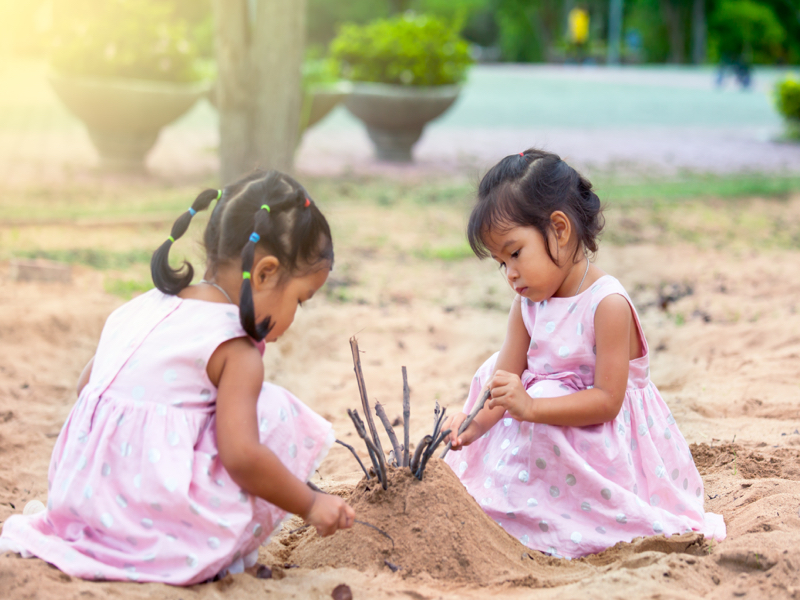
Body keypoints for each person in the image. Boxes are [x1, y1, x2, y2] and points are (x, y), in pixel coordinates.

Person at [0, 170, 355, 584]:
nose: (295, 316)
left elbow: (88, 389)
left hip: (82, 506)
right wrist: (311, 503)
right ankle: (211, 548)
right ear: (264, 273)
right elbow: (241, 457)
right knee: (274, 410)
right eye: (301, 300)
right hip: (153, 521)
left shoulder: (142, 308)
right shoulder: (236, 350)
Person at [444, 149, 725, 559]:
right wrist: (470, 427)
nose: (511, 274)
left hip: (598, 437)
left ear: (559, 229)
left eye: (516, 253)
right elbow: (502, 381)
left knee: (540, 401)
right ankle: (520, 506)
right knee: (506, 393)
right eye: (500, 263)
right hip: (539, 424)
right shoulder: (527, 305)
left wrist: (532, 407)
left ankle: (556, 517)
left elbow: (608, 401)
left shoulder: (607, 304)